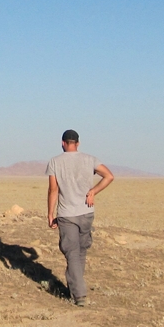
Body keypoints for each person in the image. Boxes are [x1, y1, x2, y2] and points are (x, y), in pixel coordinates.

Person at [45, 129, 114, 306]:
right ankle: (77, 288)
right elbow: (109, 176)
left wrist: (50, 213)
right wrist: (93, 191)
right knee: (80, 251)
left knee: (72, 253)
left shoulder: (55, 162)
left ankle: (79, 295)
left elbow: (53, 189)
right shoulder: (90, 159)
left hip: (67, 214)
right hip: (87, 212)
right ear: (78, 143)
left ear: (62, 143)